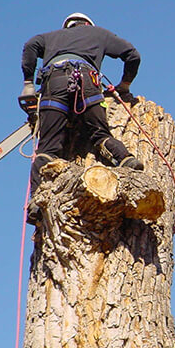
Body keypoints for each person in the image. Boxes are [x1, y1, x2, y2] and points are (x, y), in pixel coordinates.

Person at [20, 13, 143, 224]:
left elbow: (30, 46)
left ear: (67, 26)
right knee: (100, 135)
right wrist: (124, 86)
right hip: (88, 82)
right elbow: (133, 55)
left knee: (47, 149)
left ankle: (37, 201)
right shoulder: (99, 34)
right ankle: (126, 159)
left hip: (54, 83)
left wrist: (28, 83)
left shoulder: (50, 37)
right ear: (87, 25)